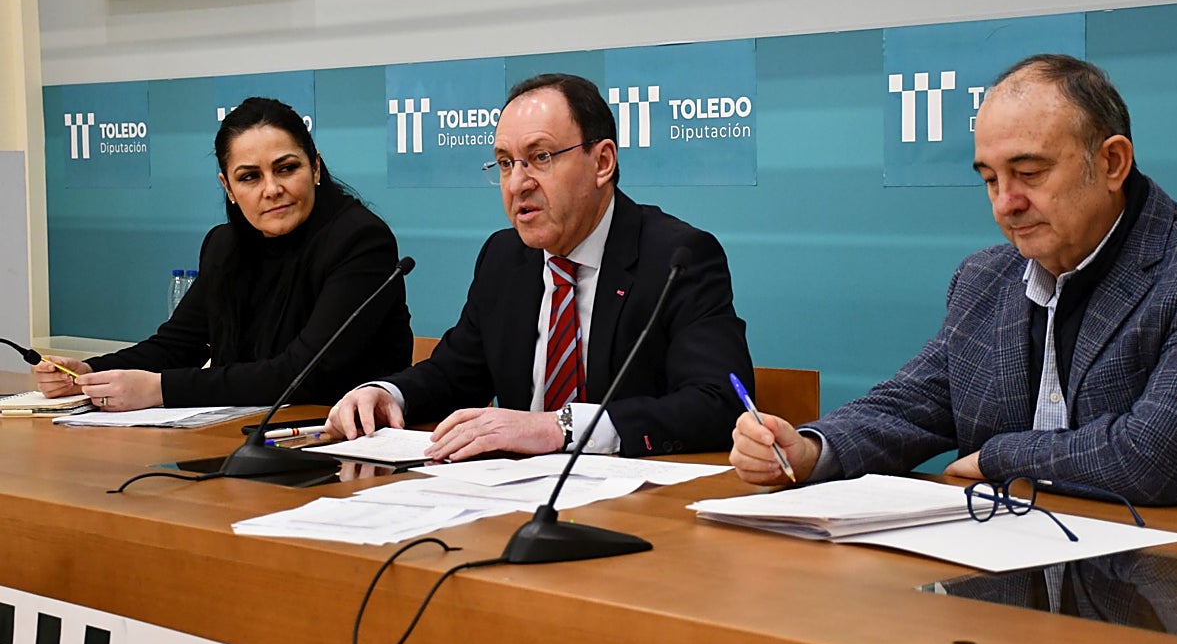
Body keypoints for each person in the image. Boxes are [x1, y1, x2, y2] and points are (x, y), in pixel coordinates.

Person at [731, 54, 1177, 505]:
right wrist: (810, 450)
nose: (1005, 203)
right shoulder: (985, 279)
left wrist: (999, 456)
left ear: (1112, 163)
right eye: (991, 180)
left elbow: (1156, 456)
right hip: (1002, 566)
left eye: (1029, 173)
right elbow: (911, 405)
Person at [325, 73, 753, 460]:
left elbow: (719, 402)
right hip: (512, 499)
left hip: (634, 504)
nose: (517, 184)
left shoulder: (677, 257)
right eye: (506, 162)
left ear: (602, 162)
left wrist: (560, 428)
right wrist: (388, 394)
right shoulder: (504, 256)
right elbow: (456, 374)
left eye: (541, 157)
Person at [34, 97, 413, 411]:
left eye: (287, 168)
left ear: (315, 167)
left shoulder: (360, 239)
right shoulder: (225, 245)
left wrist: (159, 389)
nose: (272, 189)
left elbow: (303, 373)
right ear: (228, 187)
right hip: (239, 433)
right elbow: (178, 345)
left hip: (337, 438)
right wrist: (87, 373)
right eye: (249, 176)